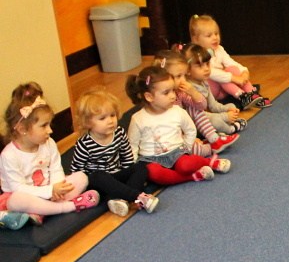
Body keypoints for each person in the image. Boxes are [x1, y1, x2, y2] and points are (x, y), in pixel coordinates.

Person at [1, 82, 99, 225]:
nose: (50, 130)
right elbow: (18, 188)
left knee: (81, 177)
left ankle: (40, 211)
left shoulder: (49, 143)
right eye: (43, 126)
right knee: (16, 201)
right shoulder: (9, 155)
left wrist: (57, 188)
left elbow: (56, 168)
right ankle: (68, 206)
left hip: (51, 191)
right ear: (22, 129)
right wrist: (49, 191)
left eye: (49, 124)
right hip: (28, 196)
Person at [125, 66, 231, 186]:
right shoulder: (137, 119)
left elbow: (190, 130)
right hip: (150, 159)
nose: (173, 96)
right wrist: (133, 167)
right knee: (154, 173)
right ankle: (194, 176)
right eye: (166, 93)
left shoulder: (177, 111)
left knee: (185, 165)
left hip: (177, 153)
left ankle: (210, 162)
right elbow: (133, 145)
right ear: (149, 97)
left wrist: (186, 147)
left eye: (173, 91)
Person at [70, 88, 158, 217]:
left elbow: (127, 158)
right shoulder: (84, 143)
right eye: (102, 118)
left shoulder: (119, 133)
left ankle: (122, 200)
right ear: (88, 122)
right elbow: (77, 171)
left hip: (116, 176)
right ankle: (138, 196)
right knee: (98, 175)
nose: (110, 121)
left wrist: (129, 175)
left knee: (140, 167)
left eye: (112, 115)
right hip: (99, 183)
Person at [153, 49, 242, 156]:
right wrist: (189, 138)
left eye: (184, 75)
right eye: (178, 76)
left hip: (187, 131)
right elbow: (169, 126)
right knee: (194, 149)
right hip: (171, 140)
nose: (183, 80)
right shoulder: (161, 100)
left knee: (194, 107)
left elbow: (201, 106)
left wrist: (193, 93)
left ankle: (214, 139)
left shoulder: (180, 93)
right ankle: (210, 149)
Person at [188, 14, 271, 109]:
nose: (215, 37)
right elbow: (211, 73)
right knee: (222, 77)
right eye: (209, 35)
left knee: (232, 69)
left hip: (224, 89)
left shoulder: (219, 49)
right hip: (211, 91)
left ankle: (252, 94)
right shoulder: (198, 55)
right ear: (196, 39)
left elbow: (231, 63)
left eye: (216, 34)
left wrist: (244, 72)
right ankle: (242, 96)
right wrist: (233, 78)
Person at [181, 44, 248, 136]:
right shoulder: (187, 88)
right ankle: (231, 129)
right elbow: (197, 115)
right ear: (187, 70)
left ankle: (220, 129)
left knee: (231, 105)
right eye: (200, 66)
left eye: (207, 64)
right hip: (195, 123)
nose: (206, 69)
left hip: (205, 118)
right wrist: (225, 117)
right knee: (215, 120)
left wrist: (227, 109)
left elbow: (213, 105)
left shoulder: (204, 83)